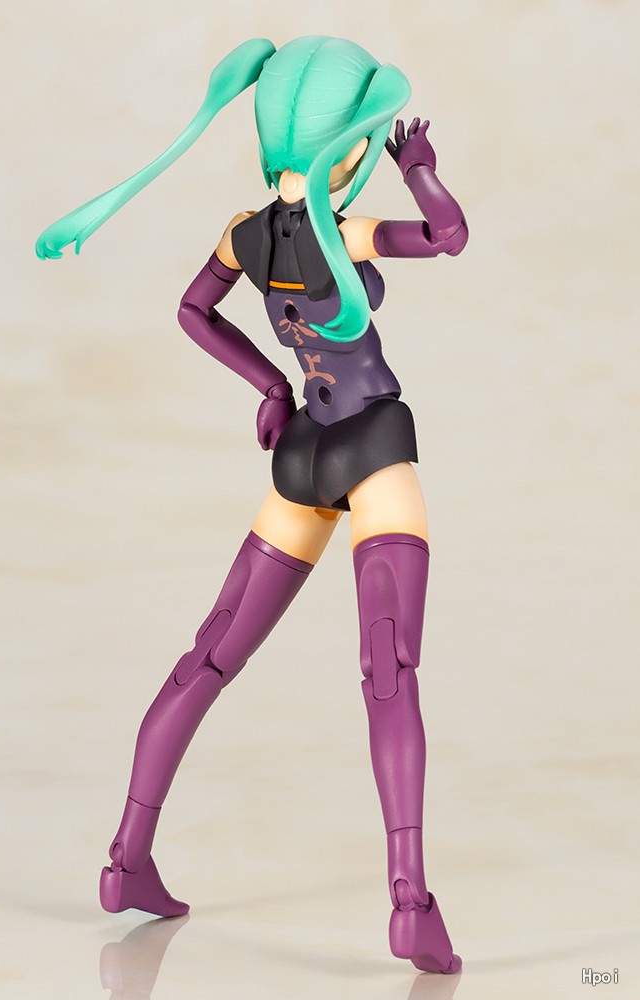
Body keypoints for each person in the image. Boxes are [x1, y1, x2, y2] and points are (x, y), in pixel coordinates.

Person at [36, 36, 468, 975]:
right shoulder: (347, 232)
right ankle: (409, 902)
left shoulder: (245, 232)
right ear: (347, 150)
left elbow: (192, 311)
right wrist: (421, 169)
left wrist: (269, 384)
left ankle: (125, 858)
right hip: (370, 445)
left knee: (208, 657)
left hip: (301, 455)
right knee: (388, 673)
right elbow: (446, 237)